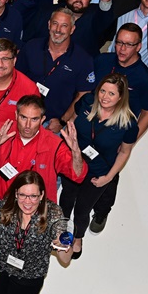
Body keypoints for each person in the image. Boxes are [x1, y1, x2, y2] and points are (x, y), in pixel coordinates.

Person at [0, 94, 85, 281]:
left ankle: (11, 277)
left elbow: (77, 175)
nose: (28, 125)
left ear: (43, 120)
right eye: (23, 117)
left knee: (21, 249)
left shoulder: (54, 144)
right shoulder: (4, 131)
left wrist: (76, 152)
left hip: (30, 209)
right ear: (16, 115)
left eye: (34, 119)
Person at [0, 170, 74, 294]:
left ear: (42, 195)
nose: (27, 201)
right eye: (23, 195)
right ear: (16, 193)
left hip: (29, 275)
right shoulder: (8, 203)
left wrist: (64, 244)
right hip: (1, 266)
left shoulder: (54, 214)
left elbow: (65, 259)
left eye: (33, 196)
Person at [60, 73, 138, 258]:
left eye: (111, 94)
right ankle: (62, 227)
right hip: (74, 159)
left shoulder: (128, 123)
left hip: (98, 170)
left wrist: (108, 178)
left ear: (121, 97)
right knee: (67, 194)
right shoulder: (88, 101)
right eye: (102, 91)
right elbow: (73, 120)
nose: (104, 97)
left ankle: (78, 237)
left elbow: (124, 152)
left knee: (83, 208)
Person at [91, 24, 148, 233]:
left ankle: (101, 212)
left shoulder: (145, 79)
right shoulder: (102, 61)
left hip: (116, 135)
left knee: (109, 173)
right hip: (93, 123)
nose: (122, 49)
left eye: (129, 45)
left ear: (138, 46)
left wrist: (131, 139)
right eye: (119, 42)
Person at [16, 8, 95, 133]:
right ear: (49, 24)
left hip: (54, 124)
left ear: (72, 29)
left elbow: (83, 94)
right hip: (25, 119)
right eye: (55, 23)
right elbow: (16, 78)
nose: (58, 30)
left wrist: (62, 121)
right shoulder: (31, 47)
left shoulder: (83, 59)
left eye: (64, 26)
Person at [34, 0, 115, 56]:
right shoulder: (48, 12)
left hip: (81, 66)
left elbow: (105, 14)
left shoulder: (94, 15)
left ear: (89, 1)